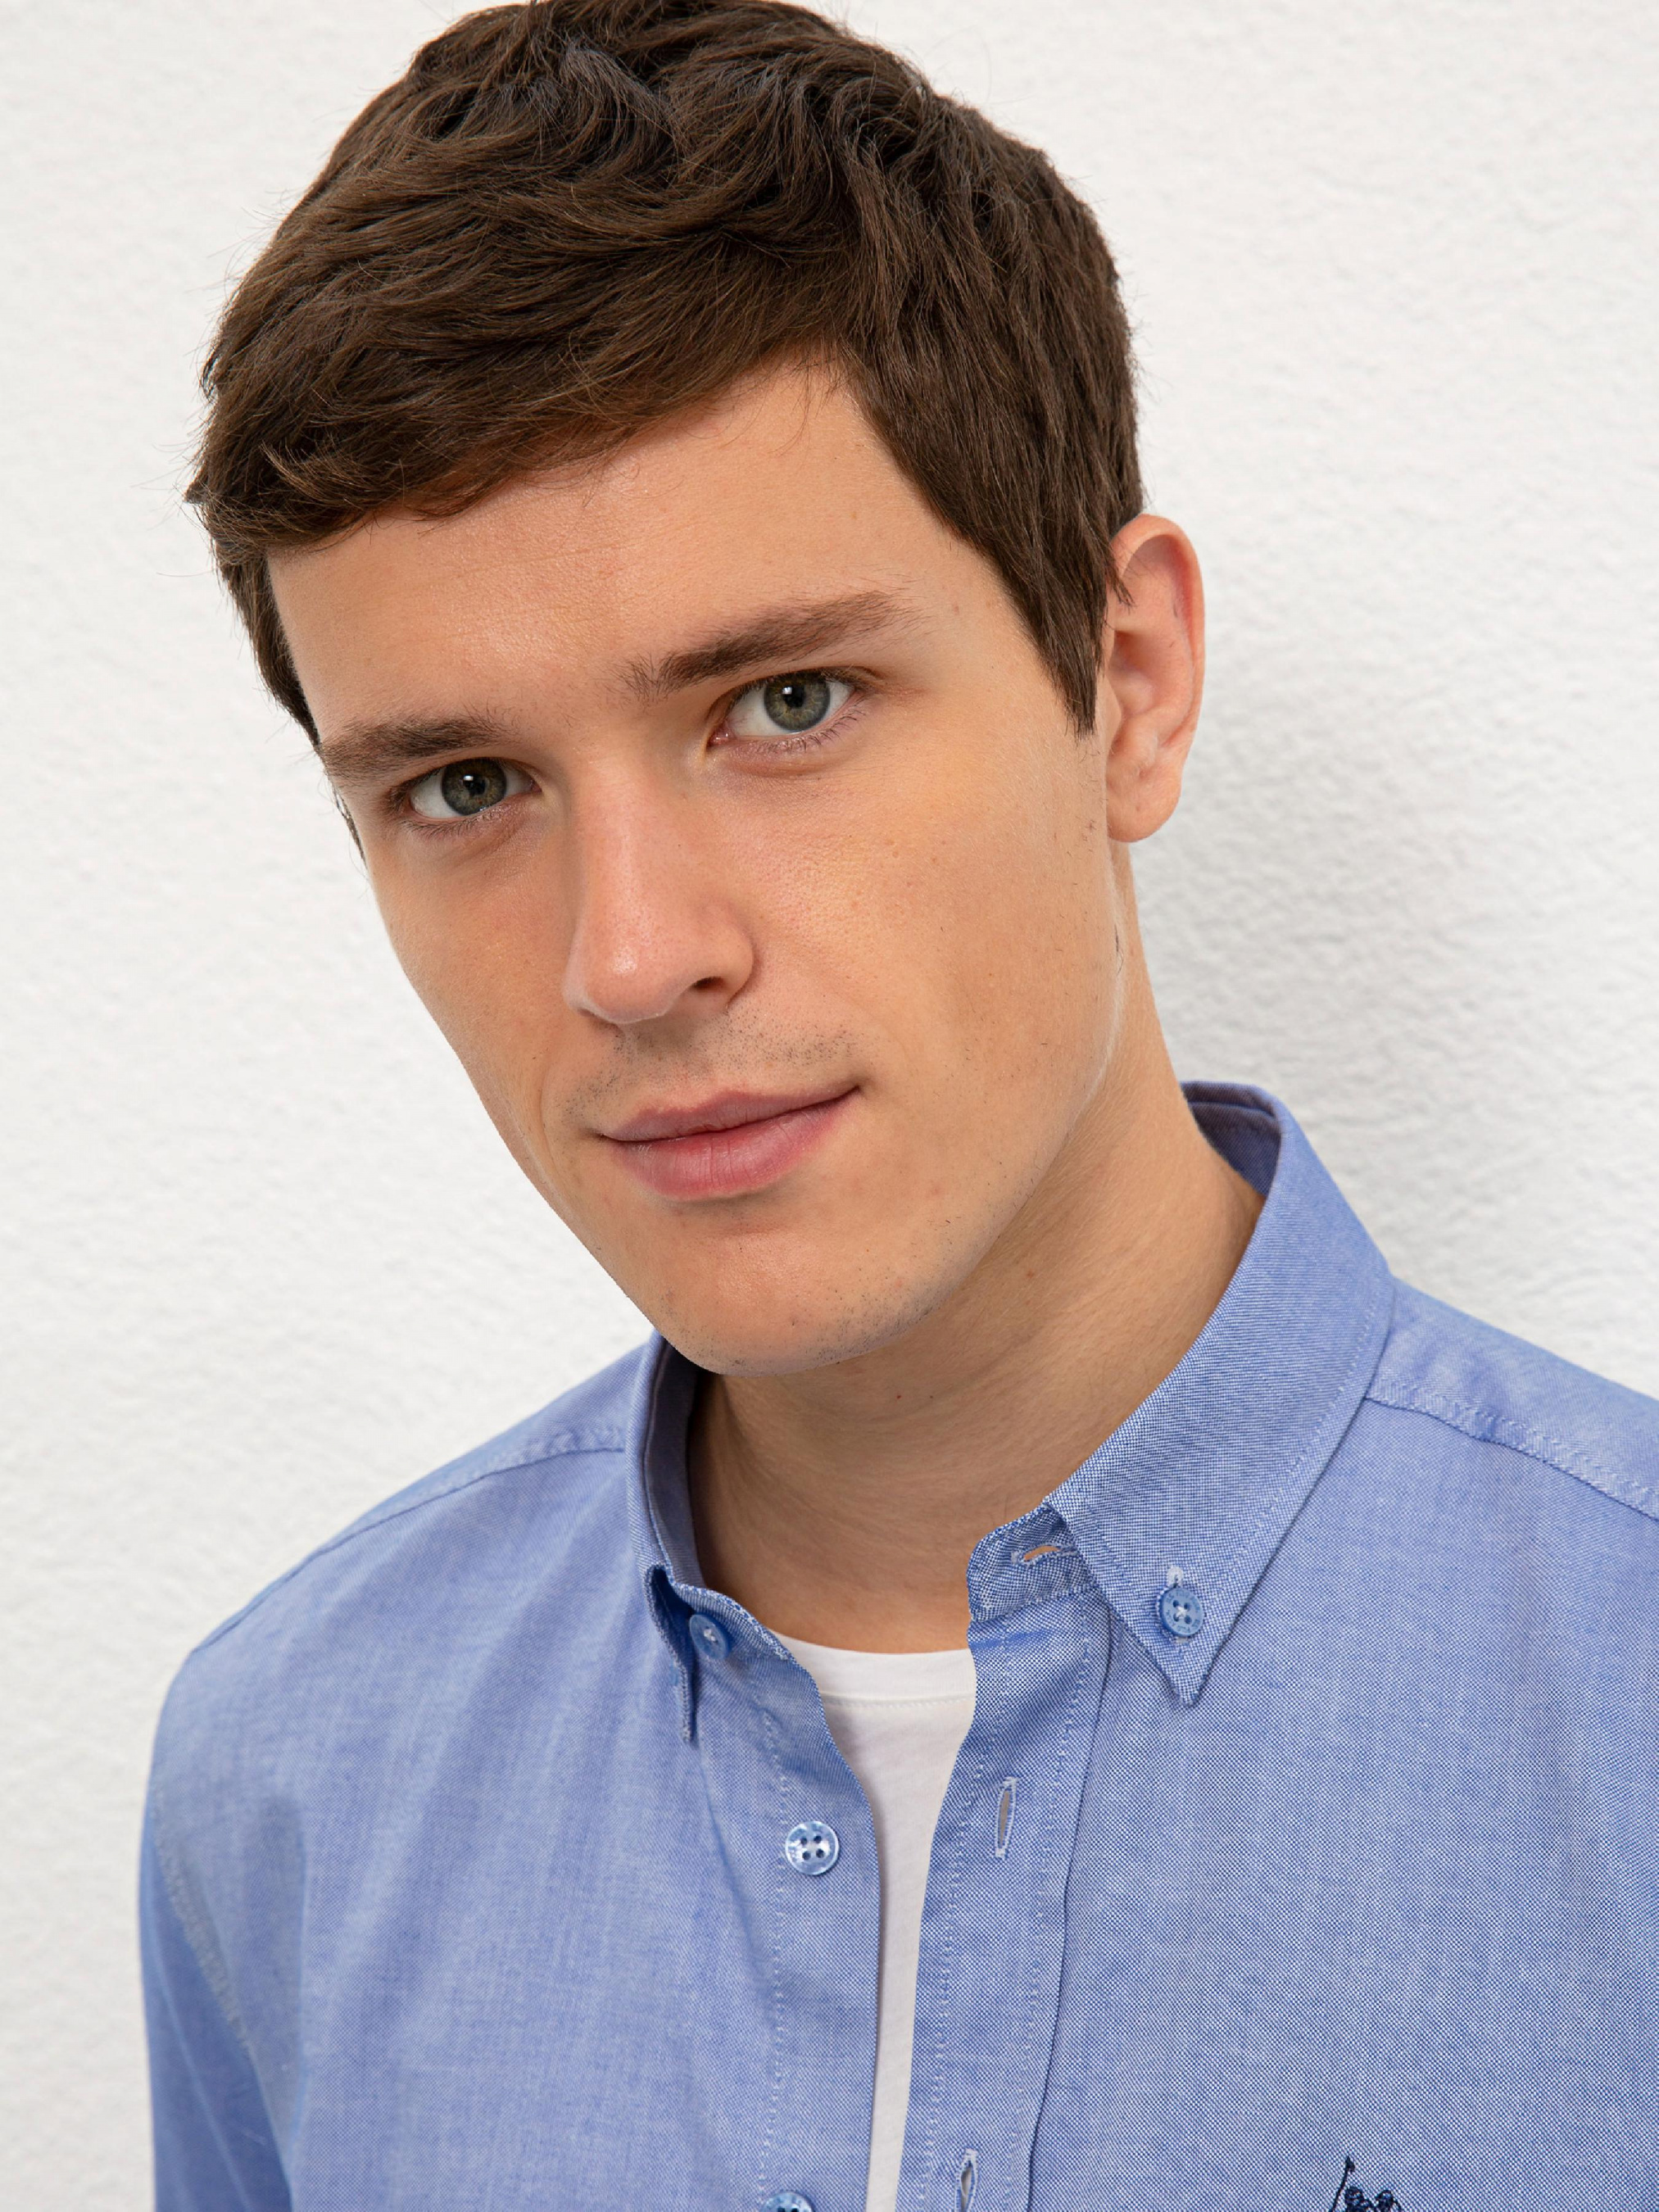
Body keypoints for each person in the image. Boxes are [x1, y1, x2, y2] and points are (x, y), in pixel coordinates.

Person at [140, 2, 1659, 2207]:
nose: (630, 955)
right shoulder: (285, 1778)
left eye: (784, 702)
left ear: (1126, 683)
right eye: (464, 785)